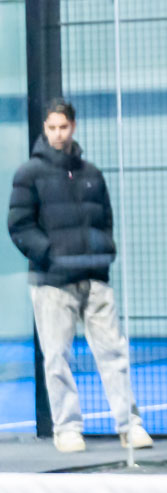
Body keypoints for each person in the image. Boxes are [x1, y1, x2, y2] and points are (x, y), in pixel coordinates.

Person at [6, 99, 153, 453]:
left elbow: (105, 220)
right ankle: (67, 428)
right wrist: (51, 256)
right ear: (45, 128)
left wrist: (103, 254)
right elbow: (19, 225)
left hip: (95, 278)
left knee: (114, 352)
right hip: (52, 283)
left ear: (73, 127)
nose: (58, 134)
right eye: (52, 127)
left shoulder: (92, 173)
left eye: (64, 127)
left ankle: (129, 425)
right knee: (57, 357)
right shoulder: (29, 173)